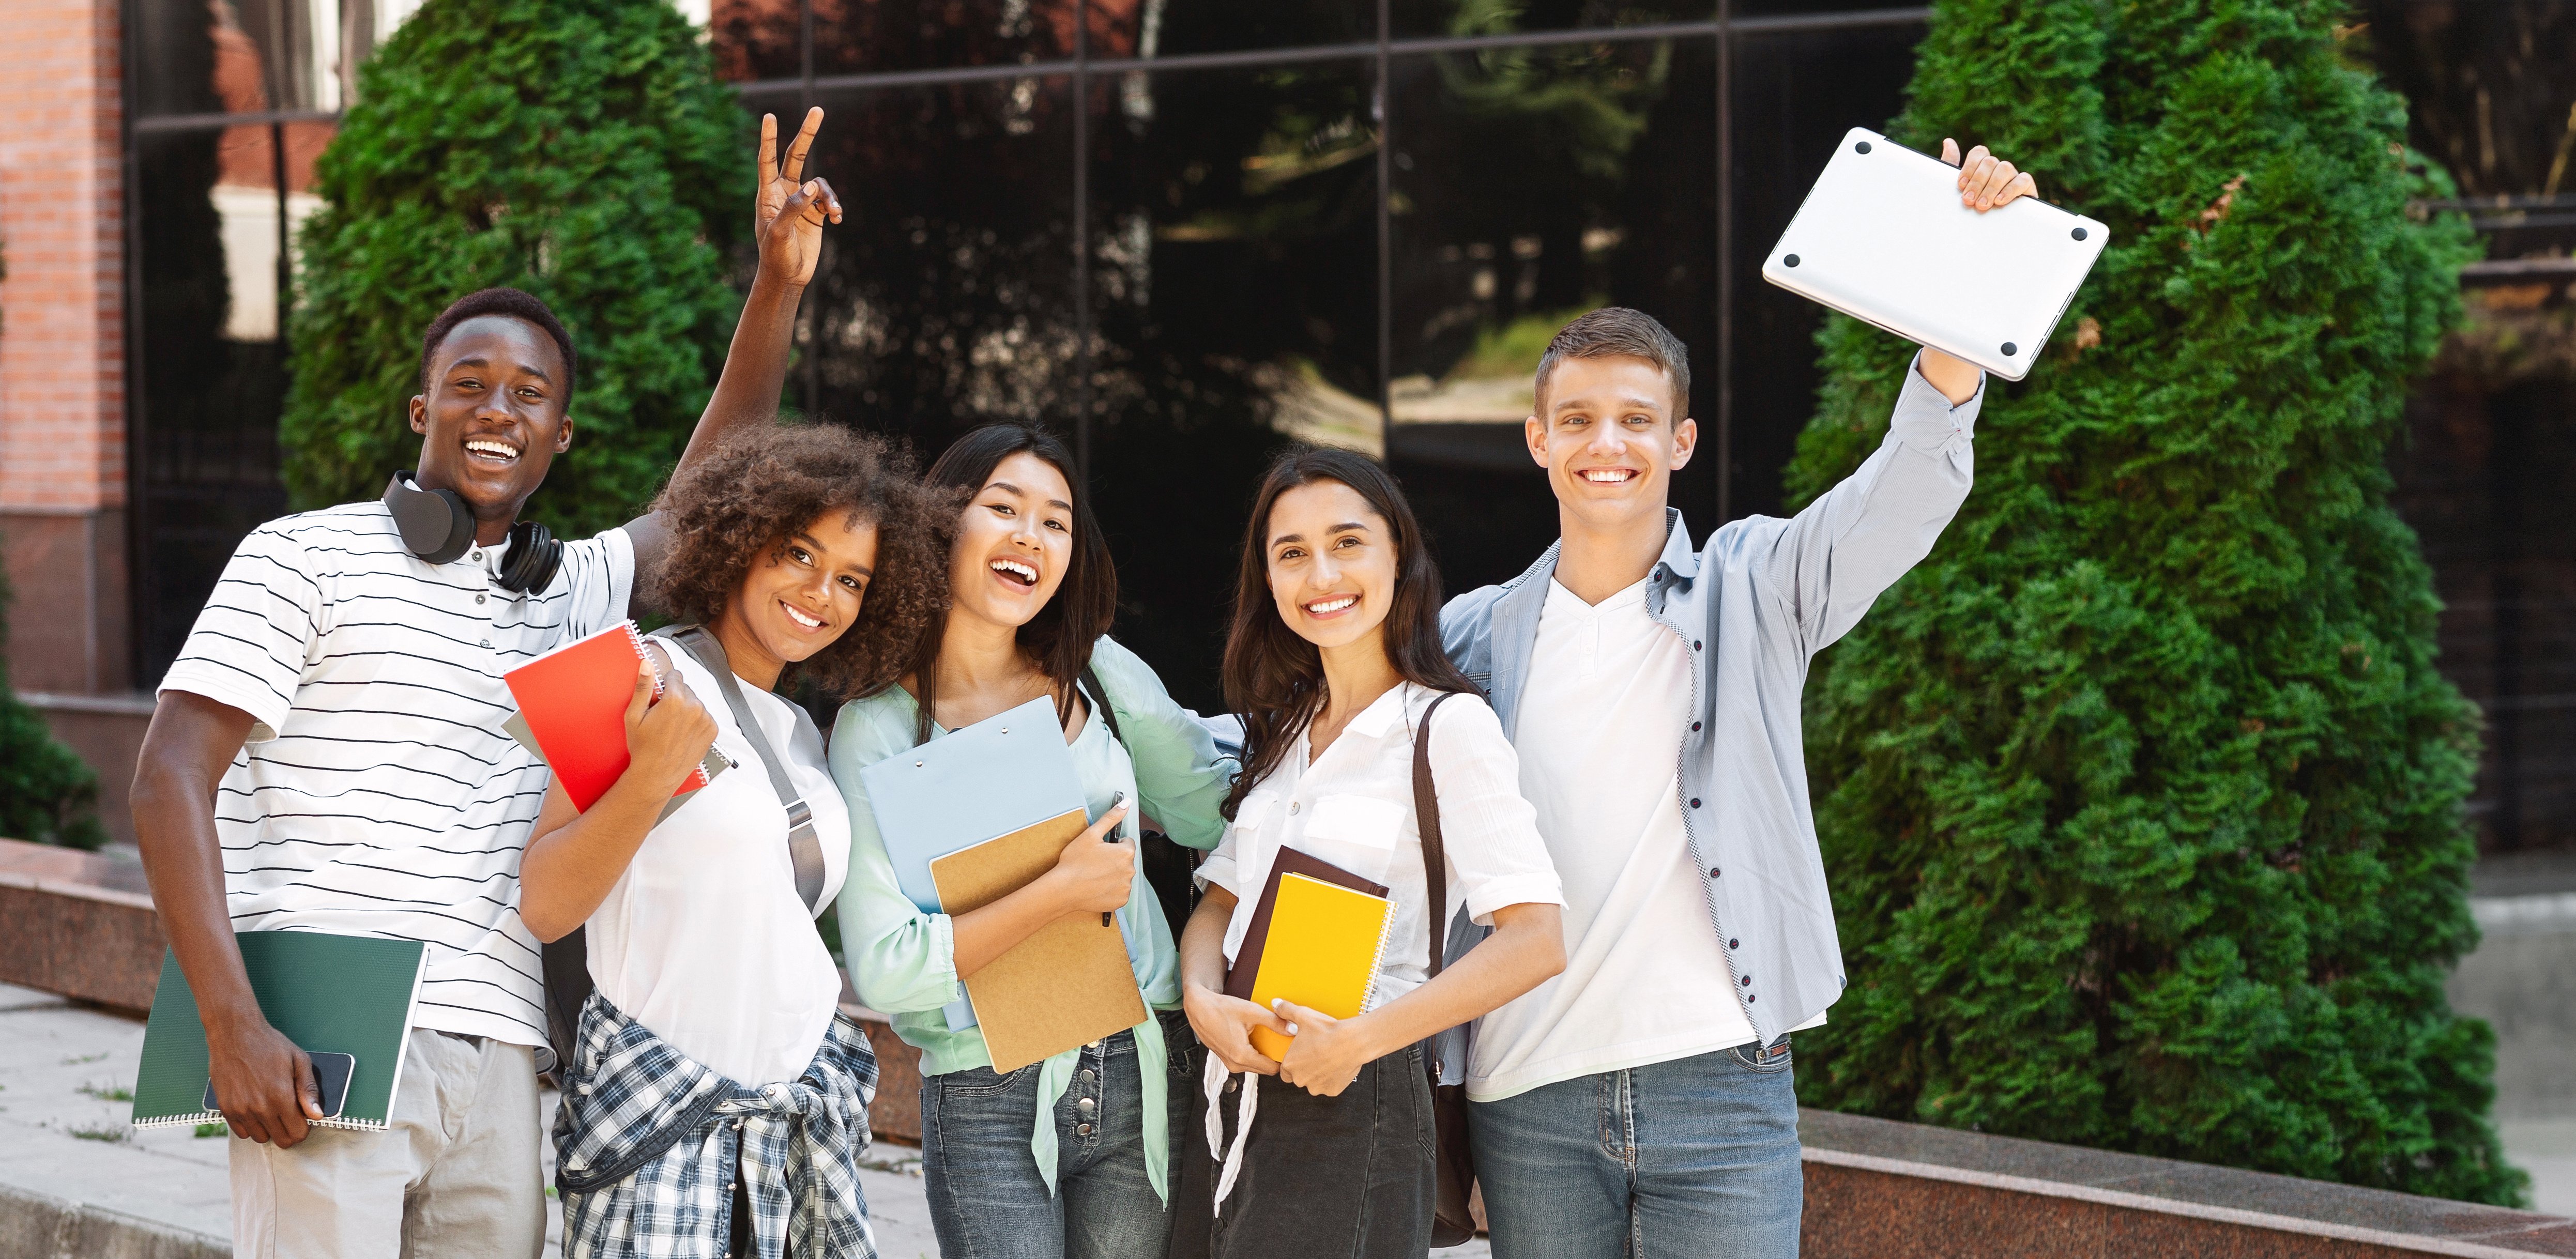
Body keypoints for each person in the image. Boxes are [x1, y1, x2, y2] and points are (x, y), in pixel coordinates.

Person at [130, 108, 845, 1259]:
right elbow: (168, 780)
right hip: (324, 1018)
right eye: (471, 384)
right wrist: (232, 1026)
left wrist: (774, 285)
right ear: (422, 411)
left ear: (560, 436)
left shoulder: (567, 591)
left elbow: (707, 488)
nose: (498, 410)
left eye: (530, 396)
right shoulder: (299, 553)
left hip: (504, 1043)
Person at [1440, 142, 2038, 1256]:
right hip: (1524, 1094)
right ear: (1536, 442)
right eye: (1573, 420)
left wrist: (1968, 275)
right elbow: (1306, 742)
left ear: (1679, 442)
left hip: (1717, 1080)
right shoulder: (1469, 635)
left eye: (1630, 419)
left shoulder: (1755, 585)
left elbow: (1900, 491)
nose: (1602, 443)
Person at [518, 423, 947, 1258]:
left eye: (852, 578)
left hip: (789, 1147)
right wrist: (648, 777)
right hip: (662, 1144)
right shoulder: (634, 677)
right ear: (739, 544)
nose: (823, 593)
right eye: (798, 554)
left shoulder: (802, 734)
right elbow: (544, 901)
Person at [831, 423, 1236, 1259]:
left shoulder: (1096, 673)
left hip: (1136, 1062)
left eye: (1056, 521)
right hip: (988, 1085)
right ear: (942, 523)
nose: (1031, 536)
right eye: (1004, 508)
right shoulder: (876, 729)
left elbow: (1210, 813)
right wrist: (1061, 889)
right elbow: (887, 967)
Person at [1173, 447, 1567, 1259]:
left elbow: (1537, 938)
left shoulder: (1447, 728)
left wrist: (1355, 1042)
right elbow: (1219, 902)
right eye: (1292, 554)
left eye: (1347, 542)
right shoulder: (1282, 730)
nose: (1322, 573)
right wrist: (1203, 1000)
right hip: (1225, 1092)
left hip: (1352, 1098)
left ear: (1399, 557)